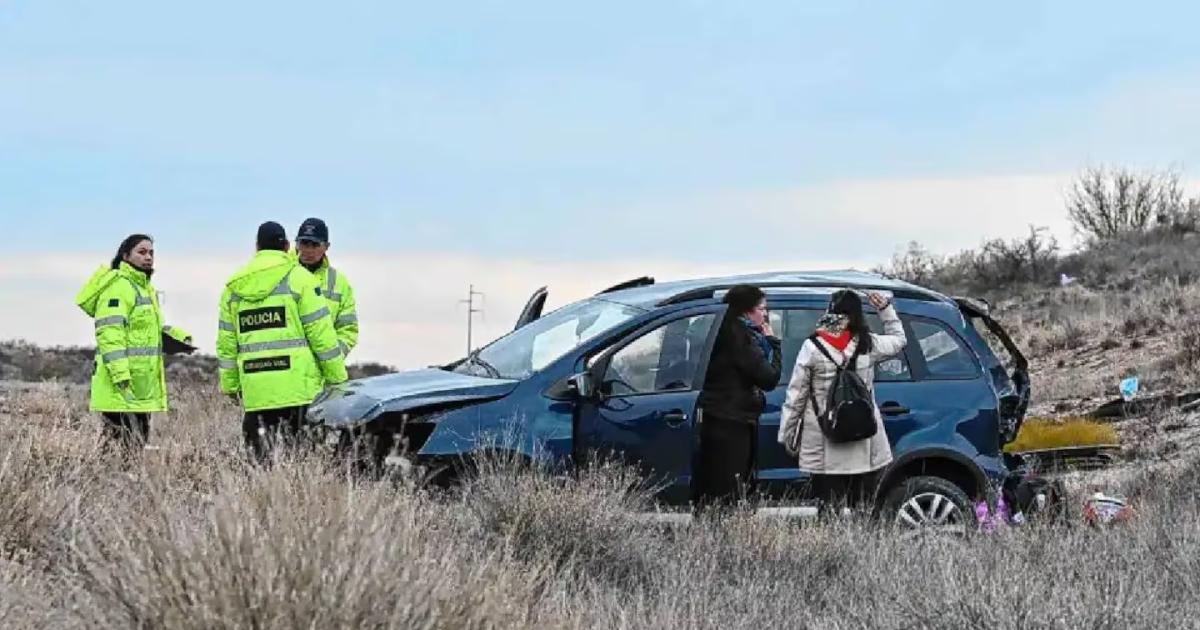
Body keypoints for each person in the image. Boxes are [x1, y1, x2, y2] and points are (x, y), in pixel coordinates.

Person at [217, 221, 349, 461]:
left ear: (257, 246)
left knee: (258, 467)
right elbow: (322, 337)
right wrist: (337, 379)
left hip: (257, 392)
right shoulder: (301, 280)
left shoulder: (233, 287)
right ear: (289, 245)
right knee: (301, 466)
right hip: (298, 392)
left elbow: (227, 343)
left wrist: (230, 386)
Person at [777, 289, 907, 516]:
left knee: (829, 510)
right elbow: (899, 340)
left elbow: (796, 396)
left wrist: (787, 434)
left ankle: (835, 549)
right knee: (864, 510)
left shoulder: (813, 348)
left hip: (825, 439)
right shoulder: (869, 343)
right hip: (864, 438)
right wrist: (885, 310)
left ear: (831, 313)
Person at [75, 234, 193, 451]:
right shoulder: (119, 286)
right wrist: (121, 374)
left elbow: (147, 330)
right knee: (119, 451)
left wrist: (178, 338)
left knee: (134, 448)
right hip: (122, 386)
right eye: (142, 252)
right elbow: (110, 332)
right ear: (125, 255)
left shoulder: (143, 288)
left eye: (151, 253)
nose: (148, 257)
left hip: (139, 385)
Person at [695, 285, 782, 509]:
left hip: (719, 415)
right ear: (746, 310)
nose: (765, 315)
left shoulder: (719, 329)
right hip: (733, 419)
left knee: (716, 486)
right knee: (731, 487)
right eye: (762, 309)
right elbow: (769, 378)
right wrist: (774, 343)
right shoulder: (741, 338)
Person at [294, 218, 359, 358]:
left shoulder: (339, 283)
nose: (309, 250)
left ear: (326, 246)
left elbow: (348, 329)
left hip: (322, 370)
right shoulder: (283, 274)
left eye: (315, 244)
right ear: (297, 244)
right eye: (304, 243)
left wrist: (333, 357)